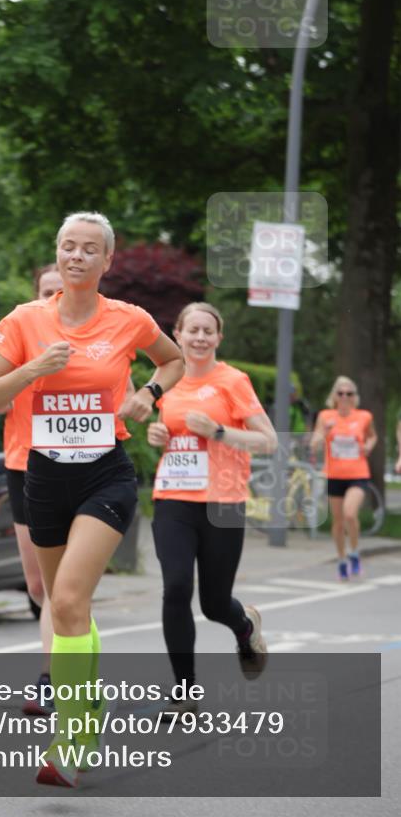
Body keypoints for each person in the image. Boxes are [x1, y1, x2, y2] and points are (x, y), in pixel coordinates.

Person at [0, 212, 183, 787]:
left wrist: (148, 393)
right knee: (63, 608)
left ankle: (71, 736)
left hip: (105, 474)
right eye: (68, 247)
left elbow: (173, 360)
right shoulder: (24, 321)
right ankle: (86, 706)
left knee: (67, 596)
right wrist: (33, 369)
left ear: (107, 261)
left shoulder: (129, 320)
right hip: (43, 475)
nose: (77, 257)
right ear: (57, 254)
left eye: (90, 249)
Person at [147, 302, 277, 715]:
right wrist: (156, 435)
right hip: (173, 499)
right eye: (192, 331)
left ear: (218, 338)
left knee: (214, 603)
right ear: (178, 334)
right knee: (177, 587)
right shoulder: (164, 381)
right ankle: (184, 693)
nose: (200, 338)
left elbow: (269, 441)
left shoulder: (233, 381)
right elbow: (169, 433)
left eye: (208, 331)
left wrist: (220, 431)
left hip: (223, 501)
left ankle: (244, 627)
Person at [4, 263, 63, 714]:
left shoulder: (95, 335)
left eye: (61, 290)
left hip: (78, 467)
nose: (56, 297)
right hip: (24, 463)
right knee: (37, 586)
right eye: (47, 290)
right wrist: (29, 368)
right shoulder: (22, 332)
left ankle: (52, 679)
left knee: (63, 587)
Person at [309, 376, 377, 580]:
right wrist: (325, 432)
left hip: (358, 474)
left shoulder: (364, 416)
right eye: (341, 393)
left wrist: (368, 446)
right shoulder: (325, 416)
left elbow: (372, 436)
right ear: (335, 396)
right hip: (335, 475)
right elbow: (314, 444)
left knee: (349, 514)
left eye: (349, 393)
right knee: (338, 522)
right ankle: (341, 559)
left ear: (355, 397)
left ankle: (354, 553)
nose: (345, 397)